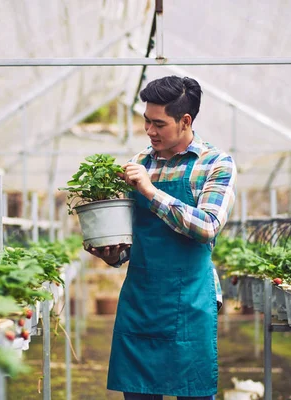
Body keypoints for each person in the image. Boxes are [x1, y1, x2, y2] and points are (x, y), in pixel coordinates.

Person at [85, 75, 237, 400]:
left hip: (190, 302)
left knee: (193, 392)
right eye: (146, 121)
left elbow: (208, 226)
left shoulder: (214, 164)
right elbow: (131, 240)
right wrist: (111, 253)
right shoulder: (139, 164)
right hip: (141, 300)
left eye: (159, 124)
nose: (150, 131)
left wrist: (151, 192)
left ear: (185, 121)